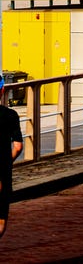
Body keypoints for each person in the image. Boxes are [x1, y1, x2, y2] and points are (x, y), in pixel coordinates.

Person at [0, 74, 24, 238]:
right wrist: (7, 162)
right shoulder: (10, 115)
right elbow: (18, 146)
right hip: (2, 171)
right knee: (1, 220)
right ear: (2, 90)